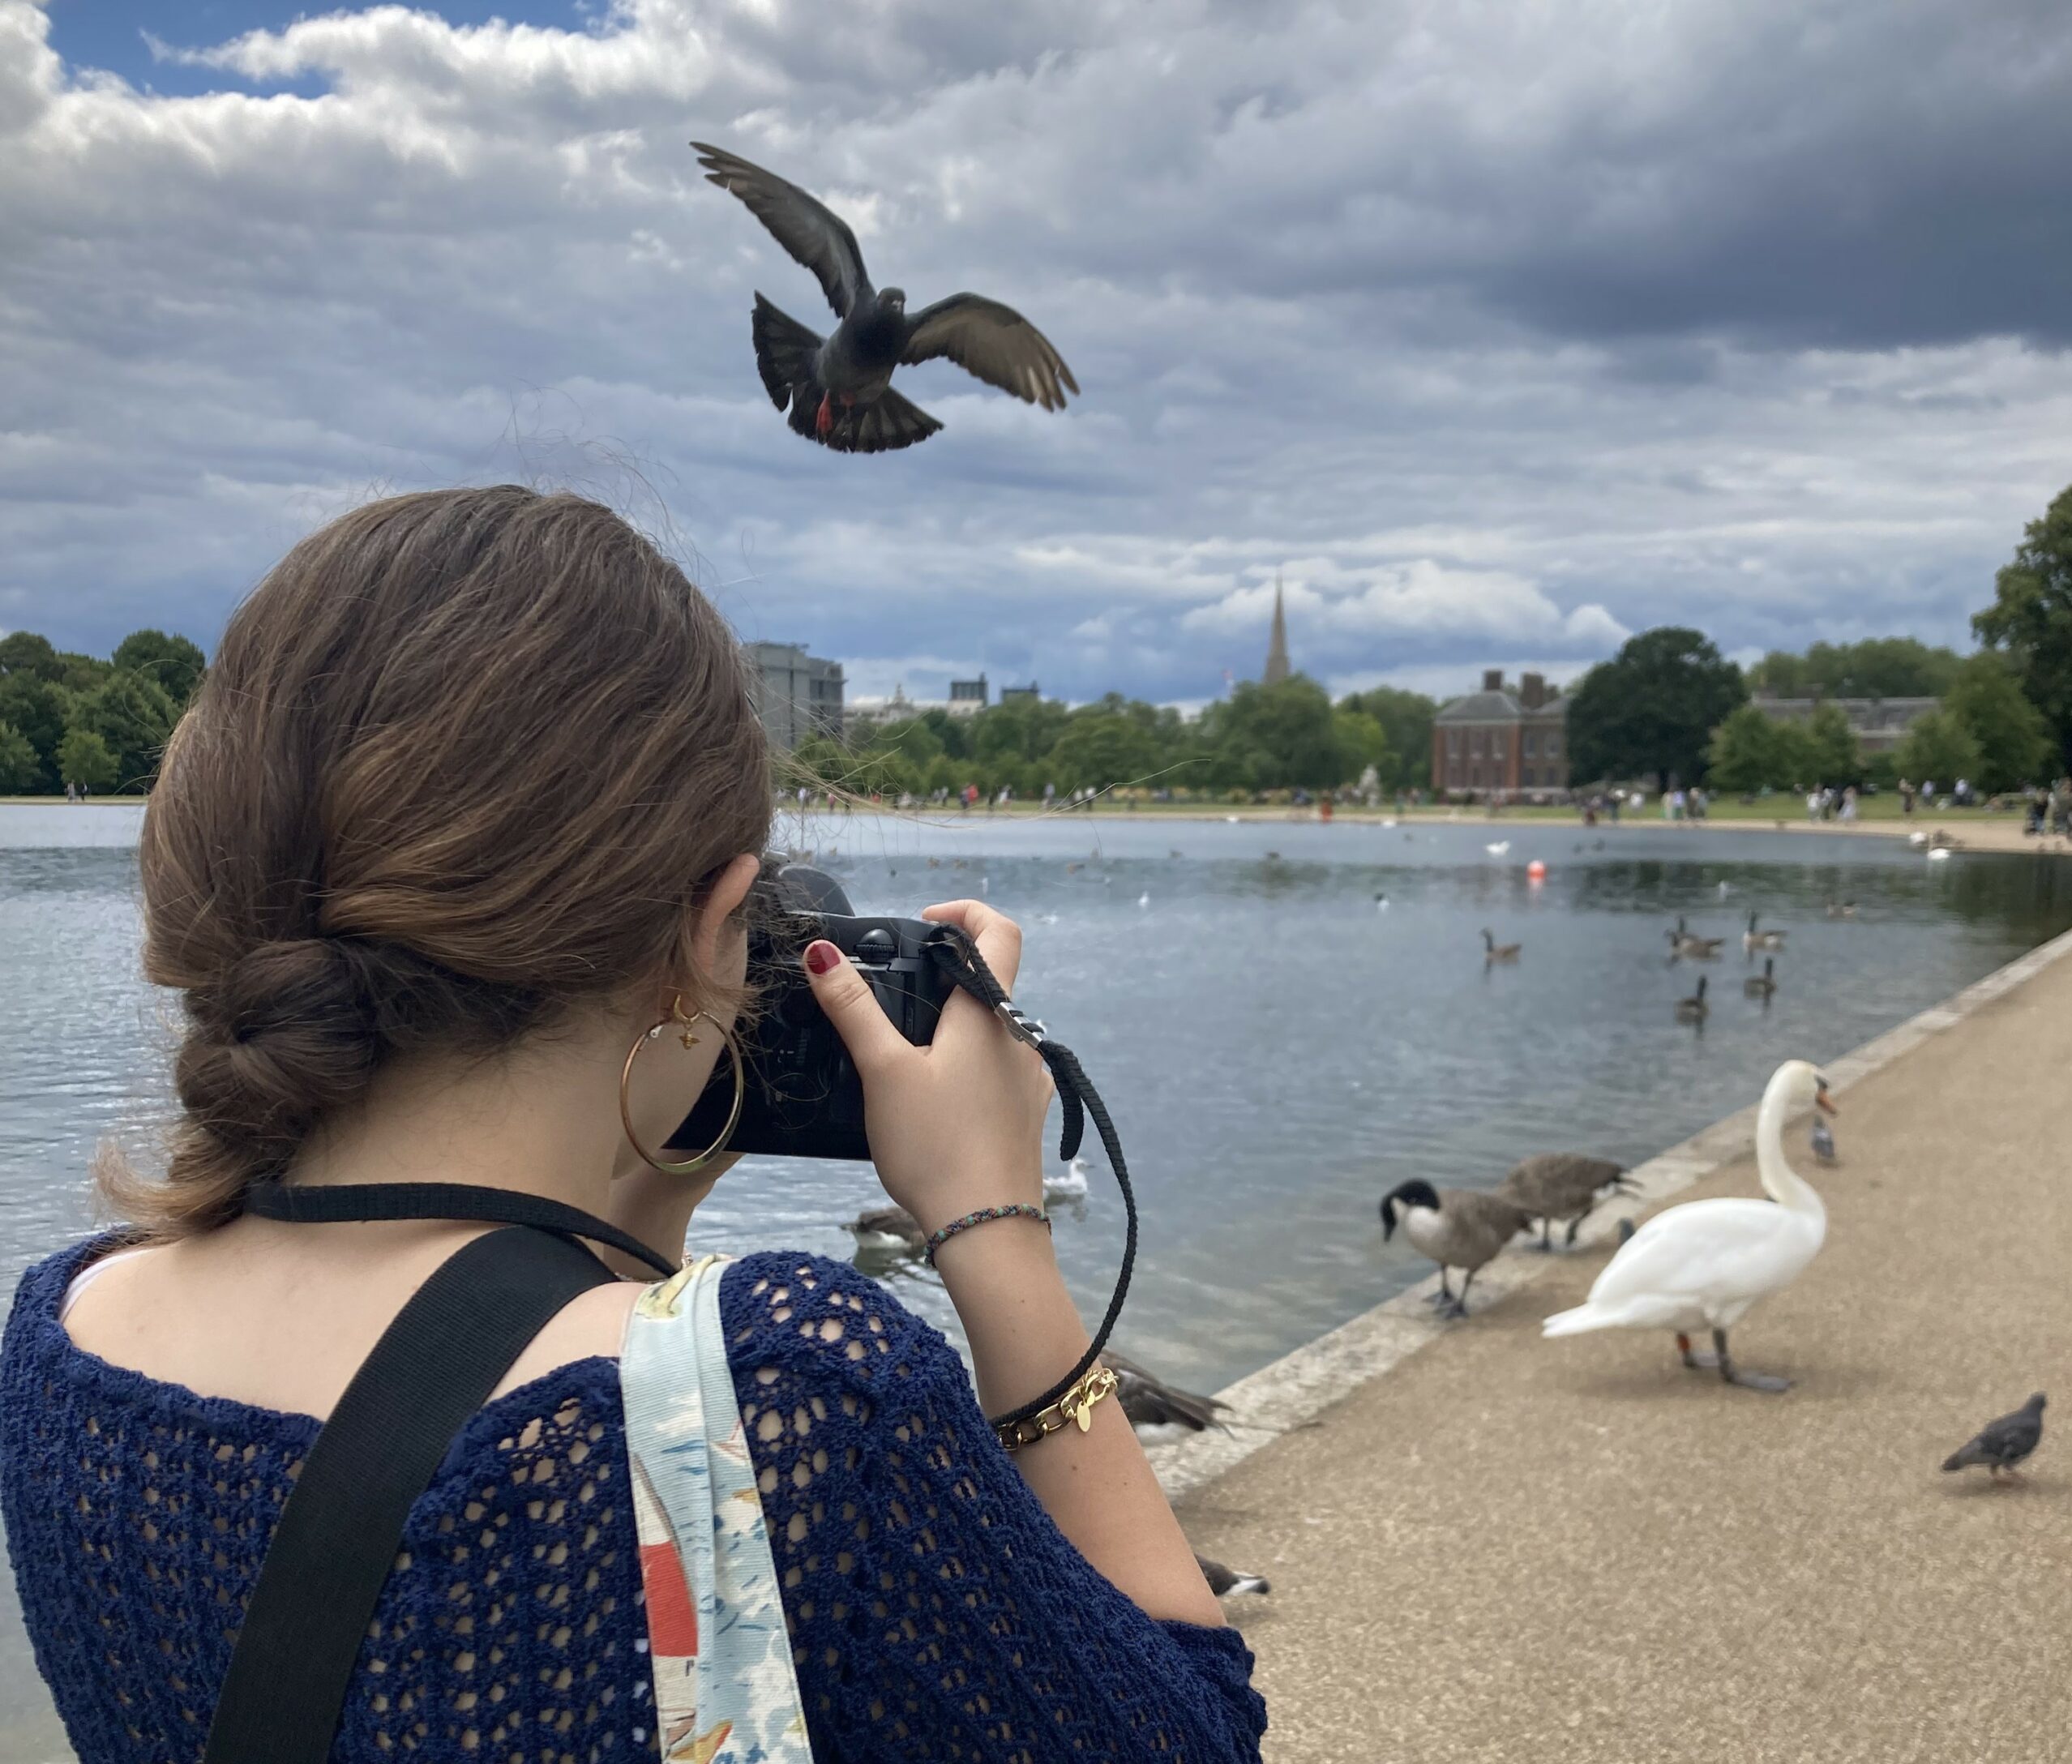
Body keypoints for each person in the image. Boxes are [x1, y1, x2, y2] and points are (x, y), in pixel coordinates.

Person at [0, 488, 1262, 1764]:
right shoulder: (797, 1399)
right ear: (717, 928)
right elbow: (1194, 1740)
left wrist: (647, 1176)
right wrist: (994, 1228)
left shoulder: (62, 1337)